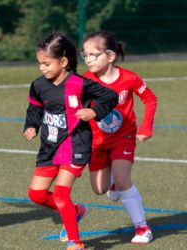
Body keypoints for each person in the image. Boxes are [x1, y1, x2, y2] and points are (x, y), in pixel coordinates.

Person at [23, 32, 118, 250]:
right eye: (40, 64)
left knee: (60, 193)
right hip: (50, 146)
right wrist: (31, 125)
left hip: (75, 144)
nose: (42, 68)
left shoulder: (79, 84)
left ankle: (75, 242)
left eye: (46, 63)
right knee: (36, 194)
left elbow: (110, 97)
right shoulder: (38, 85)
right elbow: (35, 108)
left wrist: (94, 112)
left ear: (63, 62)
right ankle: (75, 212)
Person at [81, 30, 157, 244]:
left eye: (93, 55)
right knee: (99, 189)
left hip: (124, 136)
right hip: (96, 141)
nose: (88, 60)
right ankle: (112, 182)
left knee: (124, 180)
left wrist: (145, 127)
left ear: (111, 56)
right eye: (84, 55)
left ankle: (143, 228)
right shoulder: (85, 81)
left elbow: (150, 99)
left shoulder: (129, 78)